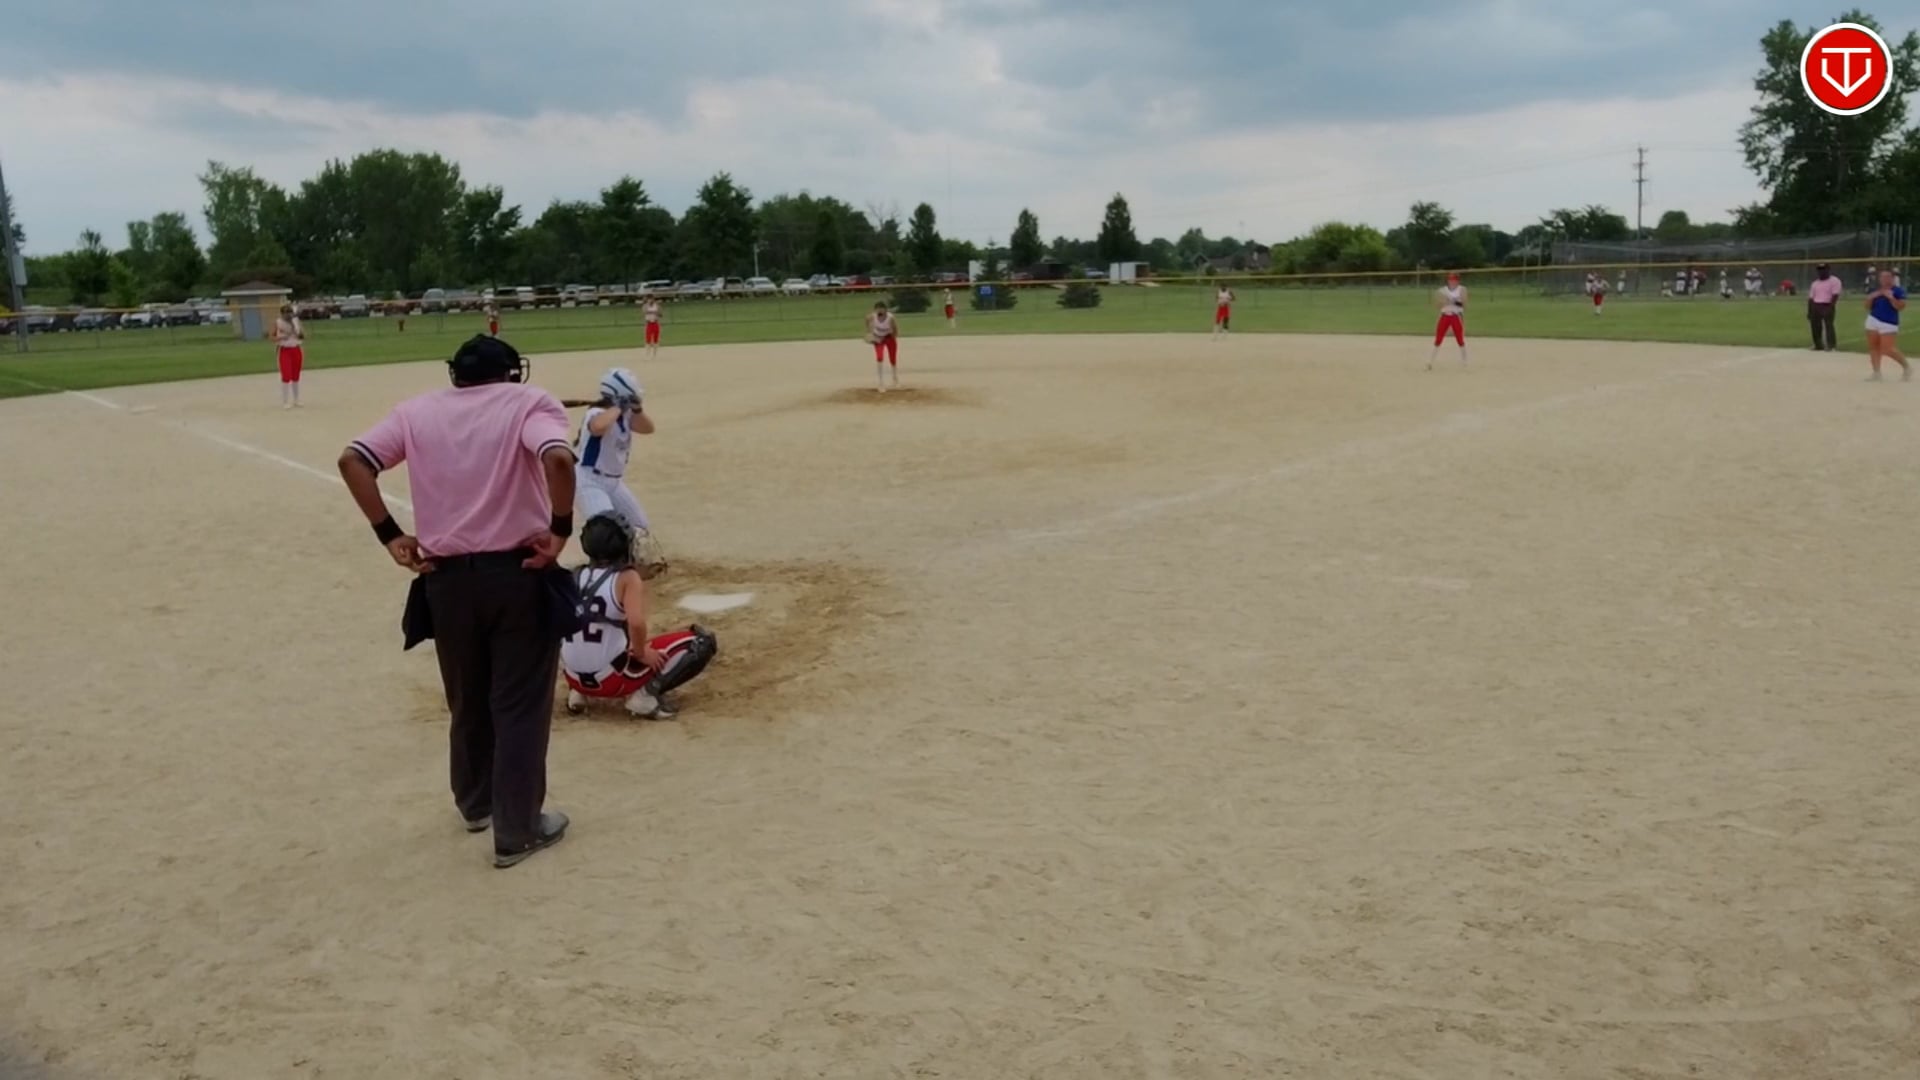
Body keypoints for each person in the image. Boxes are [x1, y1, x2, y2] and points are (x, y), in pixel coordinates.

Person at [337, 334, 577, 869]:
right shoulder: (528, 403)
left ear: (456, 375)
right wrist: (560, 527)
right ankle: (517, 830)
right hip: (517, 573)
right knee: (518, 703)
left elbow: (353, 460)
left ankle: (475, 803)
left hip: (445, 580)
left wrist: (389, 534)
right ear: (511, 372)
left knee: (467, 697)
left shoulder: (416, 411)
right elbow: (559, 460)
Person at [561, 514, 717, 720]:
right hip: (612, 680)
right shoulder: (627, 578)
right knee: (702, 642)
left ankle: (578, 693)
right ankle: (645, 695)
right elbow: (636, 622)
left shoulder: (574, 575)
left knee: (589, 624)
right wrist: (641, 652)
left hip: (573, 676)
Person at [573, 368, 655, 529]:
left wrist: (637, 409)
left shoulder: (626, 415)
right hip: (589, 481)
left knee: (640, 527)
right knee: (606, 530)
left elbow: (648, 428)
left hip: (614, 482)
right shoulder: (596, 412)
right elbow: (597, 427)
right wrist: (618, 408)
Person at [1863, 267, 1909, 382]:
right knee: (1873, 347)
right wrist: (1871, 298)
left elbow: (1901, 307)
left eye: (1887, 277)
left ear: (1892, 278)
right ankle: (1876, 372)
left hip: (1889, 322)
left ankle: (1906, 367)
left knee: (1888, 349)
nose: (1884, 279)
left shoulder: (1898, 291)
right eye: (1882, 277)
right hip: (1873, 319)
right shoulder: (1875, 290)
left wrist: (1891, 298)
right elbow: (1867, 306)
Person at [1428, 272, 1468, 370]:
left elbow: (1464, 304)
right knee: (1438, 339)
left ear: (1458, 281)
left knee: (1460, 339)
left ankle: (1464, 362)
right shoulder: (1442, 291)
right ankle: (1430, 362)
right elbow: (1437, 305)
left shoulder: (1462, 289)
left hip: (1456, 316)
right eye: (1450, 280)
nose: (1452, 282)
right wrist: (1444, 302)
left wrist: (1452, 301)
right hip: (1445, 316)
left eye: (1454, 280)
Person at [273, 303, 305, 409]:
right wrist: (281, 337)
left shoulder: (296, 322)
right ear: (282, 314)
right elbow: (272, 337)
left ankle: (296, 400)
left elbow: (303, 336)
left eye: (290, 312)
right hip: (285, 350)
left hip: (296, 349)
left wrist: (298, 332)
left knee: (296, 376)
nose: (289, 315)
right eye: (286, 313)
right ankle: (285, 401)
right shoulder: (278, 323)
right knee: (286, 375)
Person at [866, 301, 900, 391]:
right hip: (878, 338)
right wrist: (870, 333)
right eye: (878, 309)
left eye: (882, 309)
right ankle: (881, 382)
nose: (880, 311)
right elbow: (867, 320)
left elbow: (895, 329)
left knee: (892, 358)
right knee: (879, 357)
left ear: (885, 310)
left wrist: (892, 338)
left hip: (889, 337)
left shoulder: (890, 318)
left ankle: (895, 379)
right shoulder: (872, 317)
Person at [1807, 264, 1842, 352]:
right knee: (1815, 326)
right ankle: (1818, 345)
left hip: (1827, 304)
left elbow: (1835, 295)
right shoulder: (1815, 283)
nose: (1821, 272)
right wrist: (1810, 311)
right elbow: (1811, 298)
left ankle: (1831, 345)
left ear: (1828, 270)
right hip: (1816, 305)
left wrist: (1831, 307)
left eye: (1823, 269)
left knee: (1829, 325)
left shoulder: (1834, 281)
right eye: (1819, 270)